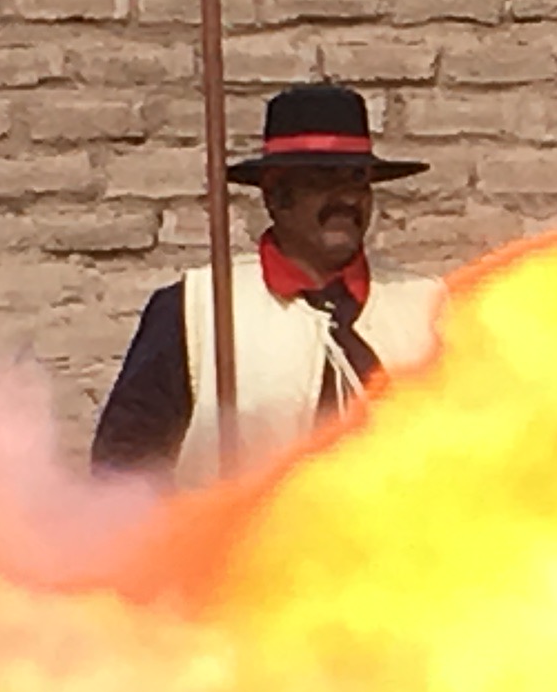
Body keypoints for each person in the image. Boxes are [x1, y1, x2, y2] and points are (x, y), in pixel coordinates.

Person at [90, 83, 442, 479]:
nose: (345, 197)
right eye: (320, 181)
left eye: (356, 179)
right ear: (275, 196)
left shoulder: (427, 308)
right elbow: (124, 467)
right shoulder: (199, 309)